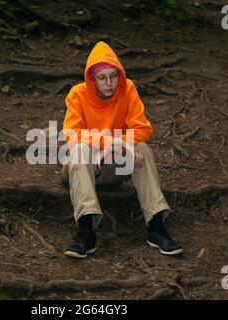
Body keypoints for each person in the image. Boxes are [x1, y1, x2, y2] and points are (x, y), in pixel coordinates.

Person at [61, 41, 183, 259]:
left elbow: (142, 128)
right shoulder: (77, 94)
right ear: (92, 79)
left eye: (113, 76)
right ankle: (86, 231)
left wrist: (119, 146)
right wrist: (109, 144)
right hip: (82, 166)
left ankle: (156, 227)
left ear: (120, 75)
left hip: (113, 166)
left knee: (142, 148)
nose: (109, 83)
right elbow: (71, 134)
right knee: (80, 150)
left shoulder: (128, 89)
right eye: (101, 77)